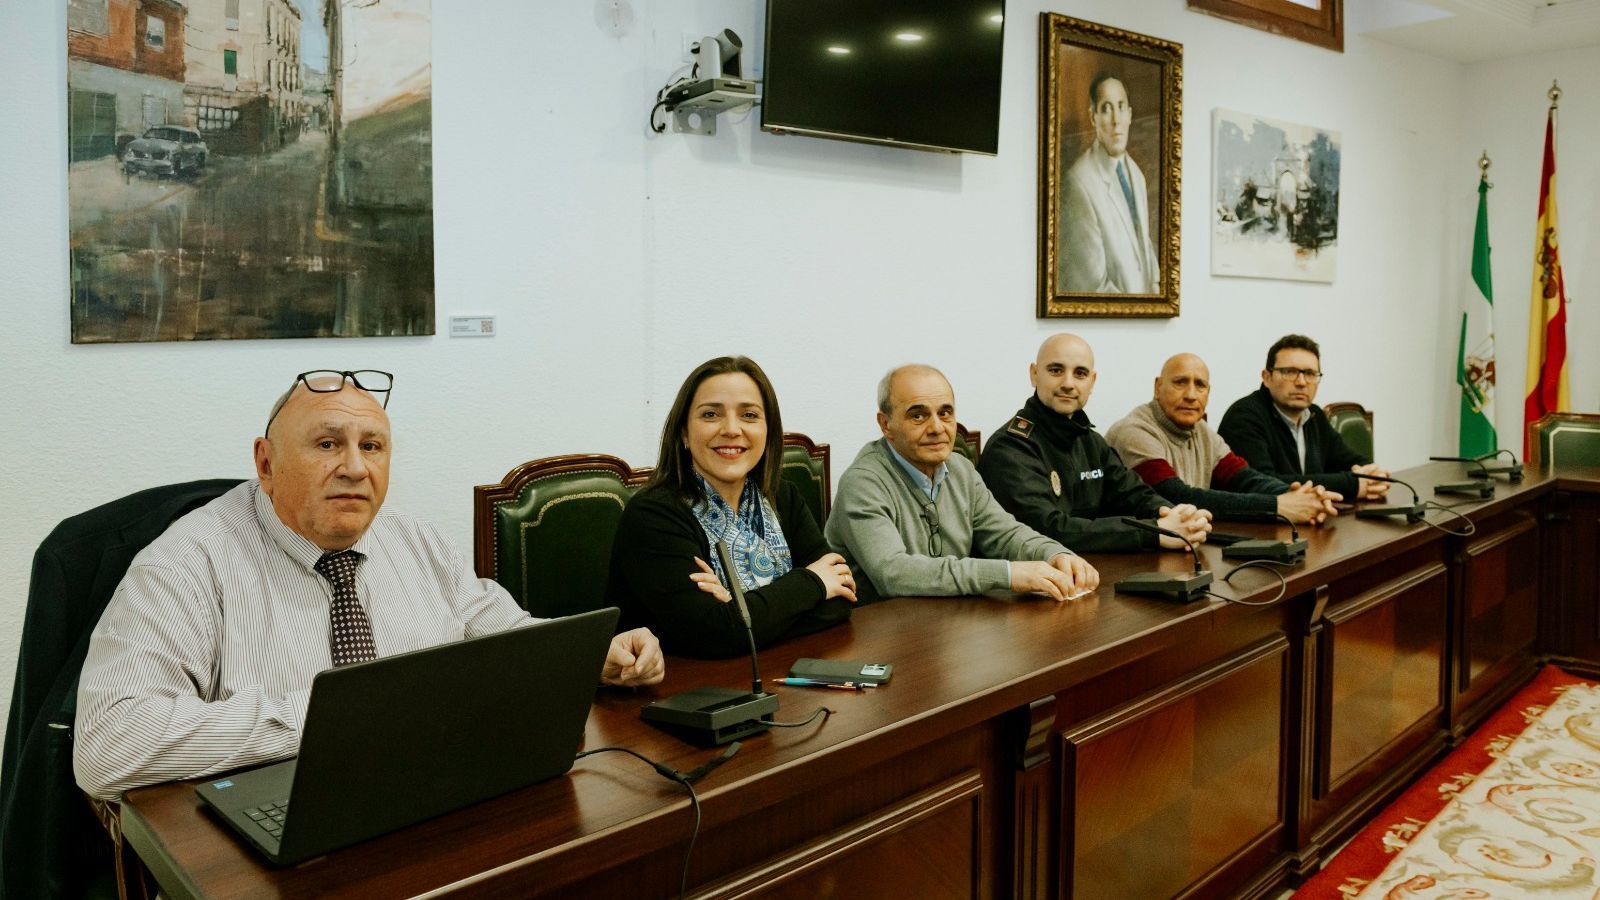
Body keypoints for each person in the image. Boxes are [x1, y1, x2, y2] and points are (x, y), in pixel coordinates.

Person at [74, 371, 665, 800]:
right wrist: (334, 720)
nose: (355, 468)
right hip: (283, 817)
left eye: (372, 446)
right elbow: (109, 743)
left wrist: (592, 656)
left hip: (430, 795)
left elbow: (507, 635)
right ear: (266, 462)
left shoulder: (415, 540)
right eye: (328, 444)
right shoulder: (187, 561)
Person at [608, 357, 855, 658]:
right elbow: (715, 635)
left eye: (749, 415)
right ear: (684, 432)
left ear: (768, 430)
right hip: (678, 694)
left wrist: (741, 615)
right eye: (711, 414)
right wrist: (814, 582)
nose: (731, 429)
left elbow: (841, 599)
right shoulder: (653, 515)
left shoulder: (782, 495)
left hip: (778, 673)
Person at [826, 364, 1099, 603]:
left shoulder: (960, 469)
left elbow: (1005, 533)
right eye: (918, 415)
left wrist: (1055, 554)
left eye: (945, 413)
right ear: (885, 424)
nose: (936, 428)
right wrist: (1007, 574)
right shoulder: (862, 482)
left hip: (946, 625)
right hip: (879, 634)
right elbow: (894, 574)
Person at [979, 334, 1212, 552]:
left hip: (1093, 570)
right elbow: (1048, 529)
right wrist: (1154, 532)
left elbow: (1132, 493)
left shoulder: (1089, 440)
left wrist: (1180, 518)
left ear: (1092, 381)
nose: (1068, 383)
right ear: (1034, 374)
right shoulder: (1010, 447)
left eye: (1080, 373)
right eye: (1056, 370)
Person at [1104, 354, 1342, 524]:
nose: (1190, 395)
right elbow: (1176, 497)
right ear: (1157, 387)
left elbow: (1244, 478)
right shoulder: (1134, 431)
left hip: (1190, 540)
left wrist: (1299, 495)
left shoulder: (1201, 430)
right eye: (1180, 383)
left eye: (1200, 385)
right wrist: (1279, 506)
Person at [1217, 334, 1390, 500]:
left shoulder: (1314, 415)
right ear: (1267, 377)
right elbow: (1265, 485)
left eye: (1309, 373)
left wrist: (1373, 475)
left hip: (1310, 519)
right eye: (1289, 372)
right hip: (1258, 527)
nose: (1301, 382)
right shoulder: (1244, 417)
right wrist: (1351, 484)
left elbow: (1350, 461)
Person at [1059, 73, 1160, 294]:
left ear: (1130, 115)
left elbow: (1145, 251)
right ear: (1093, 117)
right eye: (1106, 108)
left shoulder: (1137, 175)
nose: (1116, 120)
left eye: (1121, 107)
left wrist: (1155, 295)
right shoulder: (1079, 182)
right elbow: (1091, 285)